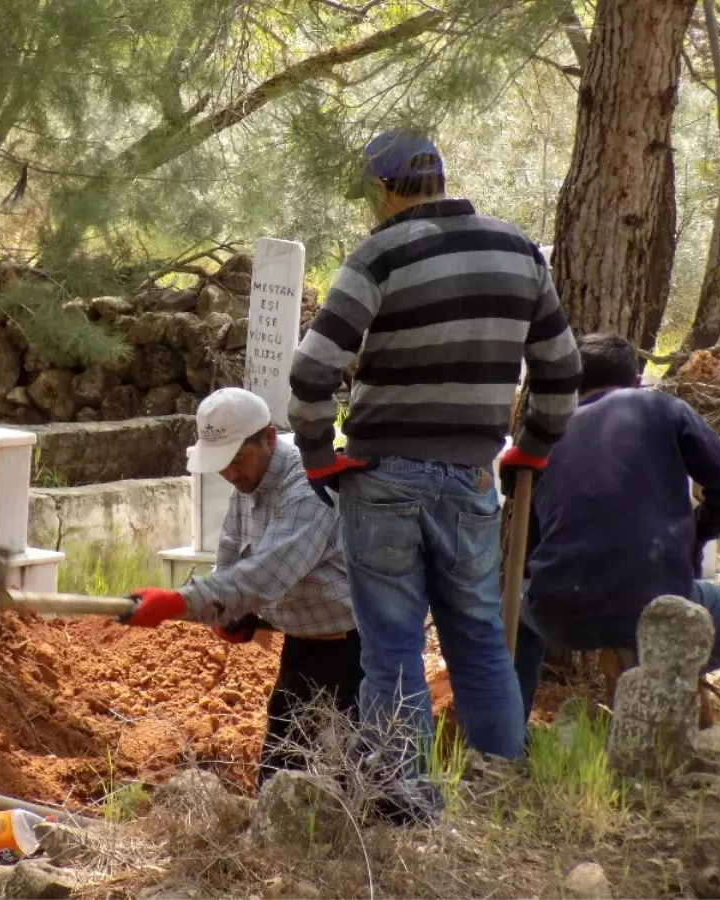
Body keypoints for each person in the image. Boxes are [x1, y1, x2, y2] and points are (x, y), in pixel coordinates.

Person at [286, 128, 582, 763]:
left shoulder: (380, 254)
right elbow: (561, 373)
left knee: (391, 650)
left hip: (381, 475)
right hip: (471, 477)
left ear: (384, 190)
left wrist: (317, 456)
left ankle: (405, 805)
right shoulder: (519, 252)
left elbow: (312, 371)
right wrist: (531, 447)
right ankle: (500, 789)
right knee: (479, 641)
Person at [122, 387, 362, 789]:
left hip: (350, 656)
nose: (230, 473)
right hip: (303, 647)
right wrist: (233, 613)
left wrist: (179, 602)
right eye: (222, 464)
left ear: (268, 437)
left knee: (334, 783)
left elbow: (265, 575)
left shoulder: (310, 489)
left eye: (237, 460)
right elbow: (231, 563)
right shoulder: (247, 490)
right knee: (279, 777)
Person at [514, 332, 720, 717]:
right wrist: (697, 534)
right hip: (655, 605)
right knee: (683, 621)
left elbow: (533, 547)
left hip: (558, 616)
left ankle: (511, 735)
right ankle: (669, 682)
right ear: (636, 382)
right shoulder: (664, 408)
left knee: (520, 614)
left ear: (574, 386)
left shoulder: (546, 437)